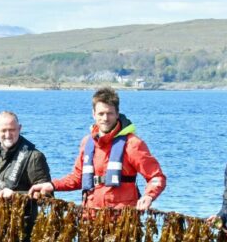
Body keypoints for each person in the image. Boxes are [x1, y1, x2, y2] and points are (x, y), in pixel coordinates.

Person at [28, 87, 166, 211]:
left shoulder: (133, 144)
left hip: (122, 221)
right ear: (93, 114)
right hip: (90, 218)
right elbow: (77, 178)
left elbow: (156, 177)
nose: (105, 118)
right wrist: (52, 185)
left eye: (110, 113)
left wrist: (149, 196)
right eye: (101, 114)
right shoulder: (87, 142)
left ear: (117, 114)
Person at [0, 110, 51, 200]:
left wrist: (16, 195)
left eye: (12, 130)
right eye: (3, 130)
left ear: (19, 129)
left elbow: (46, 195)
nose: (8, 135)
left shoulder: (34, 157)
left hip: (22, 213)